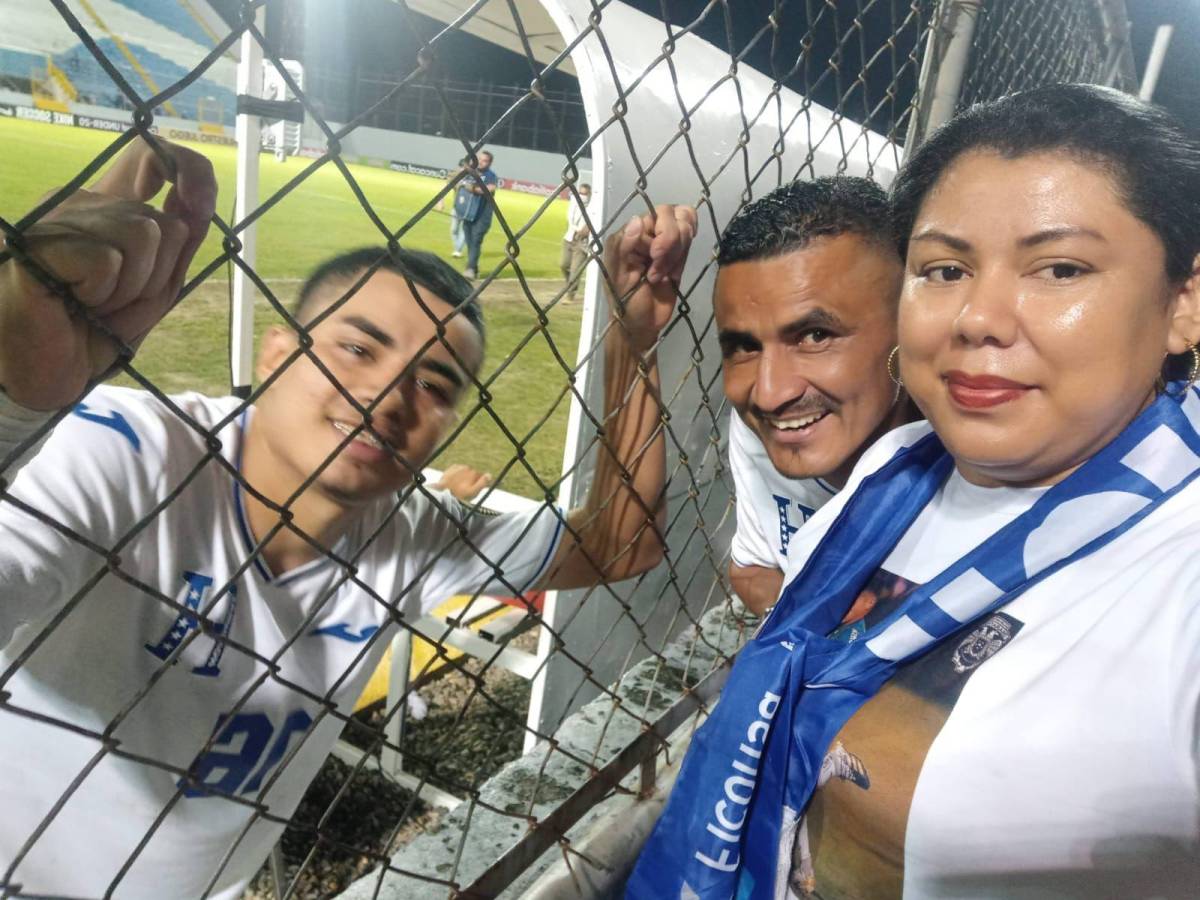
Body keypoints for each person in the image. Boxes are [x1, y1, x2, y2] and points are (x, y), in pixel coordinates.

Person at [0, 138, 697, 898]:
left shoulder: (414, 530)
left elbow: (623, 543)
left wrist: (633, 343)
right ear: (277, 354)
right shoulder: (123, 452)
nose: (388, 395)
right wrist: (9, 409)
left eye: (434, 383)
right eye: (358, 348)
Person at [630, 84, 1200, 899]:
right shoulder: (891, 470)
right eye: (944, 269)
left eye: (1060, 267)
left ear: (1185, 301)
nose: (977, 316)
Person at [716, 177, 912, 615]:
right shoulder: (765, 430)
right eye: (745, 347)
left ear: (910, 329)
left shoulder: (982, 463)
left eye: (815, 336)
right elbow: (754, 569)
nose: (769, 394)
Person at [455, 149, 498, 280]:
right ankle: (474, 267)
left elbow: (491, 188)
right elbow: (456, 181)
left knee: (475, 241)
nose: (481, 162)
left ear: (490, 163)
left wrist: (473, 188)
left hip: (482, 216)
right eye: (479, 159)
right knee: (469, 242)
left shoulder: (491, 175)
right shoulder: (470, 173)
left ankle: (469, 269)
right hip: (468, 214)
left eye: (485, 160)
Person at [561, 182, 593, 302]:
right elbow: (569, 217)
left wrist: (585, 230)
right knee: (563, 265)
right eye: (580, 193)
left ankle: (570, 293)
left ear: (589, 194)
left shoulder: (593, 207)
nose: (582, 196)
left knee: (575, 269)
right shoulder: (573, 202)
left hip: (582, 242)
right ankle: (570, 283)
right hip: (569, 237)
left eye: (585, 194)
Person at [442, 157, 468, 258]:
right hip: (456, 207)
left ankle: (458, 250)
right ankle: (457, 247)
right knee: (454, 229)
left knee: (465, 230)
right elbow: (445, 188)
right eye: (461, 167)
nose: (462, 170)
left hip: (469, 209)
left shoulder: (474, 177)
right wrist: (441, 201)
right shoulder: (454, 176)